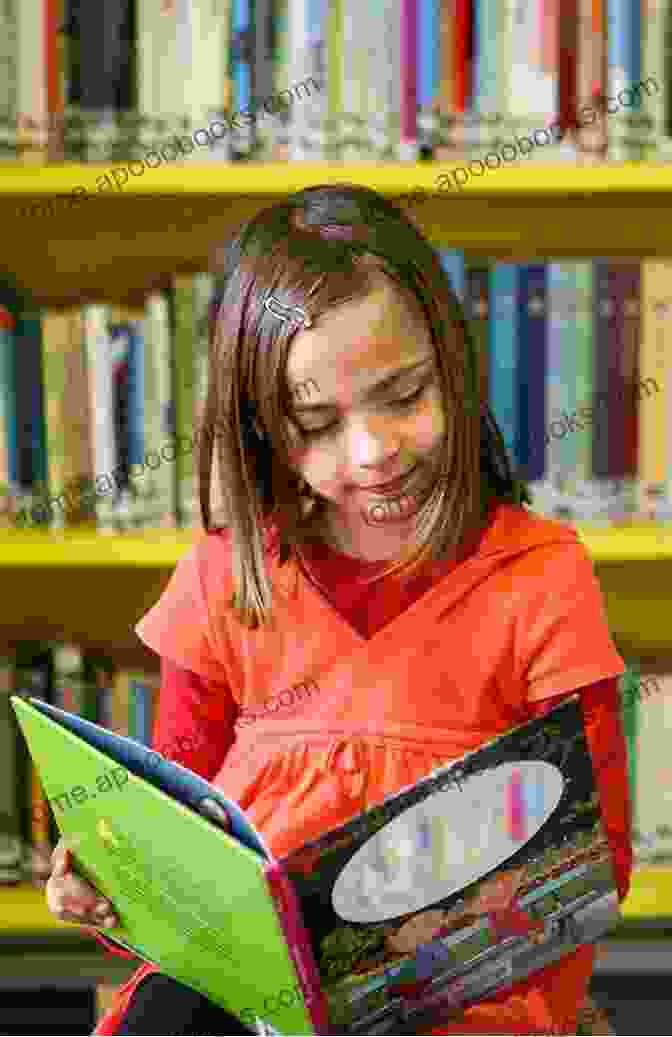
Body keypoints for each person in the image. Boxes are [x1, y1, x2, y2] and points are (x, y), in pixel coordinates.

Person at [45, 183, 631, 1035]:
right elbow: (164, 844)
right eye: (314, 423)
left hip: (462, 1003)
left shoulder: (539, 578)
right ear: (261, 432)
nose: (370, 451)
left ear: (455, 365)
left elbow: (595, 859)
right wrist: (110, 888)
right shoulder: (225, 580)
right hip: (245, 1007)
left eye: (403, 395)